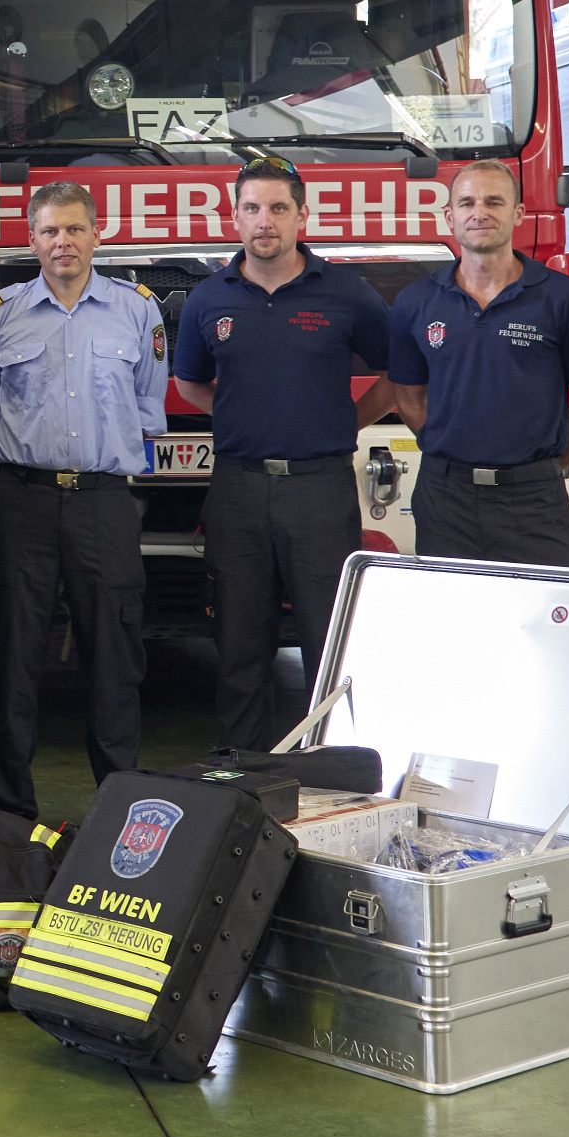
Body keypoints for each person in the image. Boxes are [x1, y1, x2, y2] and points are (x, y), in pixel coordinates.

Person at [385, 159, 569, 918]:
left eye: (492, 201)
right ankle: (445, 841)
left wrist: (537, 465)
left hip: (533, 503)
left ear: (516, 213)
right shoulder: (415, 304)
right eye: (465, 202)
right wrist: (463, 456)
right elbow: (407, 395)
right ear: (447, 216)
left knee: (560, 674)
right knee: (452, 668)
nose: (478, 213)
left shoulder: (561, 299)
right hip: (446, 499)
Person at [171, 160, 393, 749]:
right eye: (251, 209)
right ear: (235, 216)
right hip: (238, 489)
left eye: (276, 209)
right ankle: (246, 770)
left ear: (302, 215)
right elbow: (191, 382)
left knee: (328, 636)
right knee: (241, 641)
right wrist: (244, 416)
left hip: (320, 489)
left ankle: (331, 765)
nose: (263, 222)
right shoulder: (208, 299)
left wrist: (346, 420)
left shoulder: (347, 294)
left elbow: (396, 373)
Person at [0, 181, 169, 821]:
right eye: (50, 231)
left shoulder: (138, 312)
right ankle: (9, 808)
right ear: (32, 240)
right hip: (22, 501)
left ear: (97, 233)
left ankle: (121, 806)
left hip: (104, 503)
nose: (63, 242)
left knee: (115, 655)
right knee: (14, 660)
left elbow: (147, 409)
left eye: (75, 229)